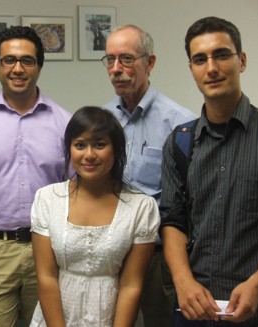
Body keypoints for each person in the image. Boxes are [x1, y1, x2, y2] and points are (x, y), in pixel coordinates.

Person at [160, 16, 258, 326]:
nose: (212, 68)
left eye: (221, 55)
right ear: (191, 69)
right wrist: (183, 281)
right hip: (194, 312)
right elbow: (173, 219)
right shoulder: (180, 142)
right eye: (200, 59)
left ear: (241, 60)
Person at [0, 25, 72, 327]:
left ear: (39, 67)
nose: (18, 68)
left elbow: (75, 198)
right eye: (9, 60)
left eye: (27, 61)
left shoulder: (65, 123)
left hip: (47, 249)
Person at [29, 106, 159, 326]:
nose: (89, 155)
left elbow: (131, 285)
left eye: (100, 145)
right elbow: (46, 278)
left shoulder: (141, 207)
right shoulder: (48, 199)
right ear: (69, 150)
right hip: (56, 317)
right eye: (80, 145)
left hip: (114, 317)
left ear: (116, 150)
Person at [101, 24, 196, 327]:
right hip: (108, 250)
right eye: (110, 60)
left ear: (149, 63)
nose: (117, 69)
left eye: (126, 59)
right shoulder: (102, 120)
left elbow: (190, 199)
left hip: (157, 255)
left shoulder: (181, 124)